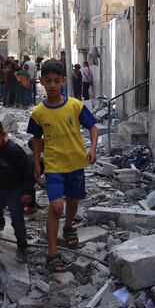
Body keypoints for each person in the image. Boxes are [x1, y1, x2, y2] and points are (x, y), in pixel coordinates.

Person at [28, 60, 99, 272]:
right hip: (54, 165)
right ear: (41, 81)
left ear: (64, 81)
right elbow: (36, 139)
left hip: (75, 163)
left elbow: (93, 127)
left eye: (56, 81)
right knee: (57, 207)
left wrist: (93, 149)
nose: (52, 85)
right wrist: (37, 163)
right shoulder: (38, 112)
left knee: (73, 202)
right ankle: (52, 253)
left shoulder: (75, 106)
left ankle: (68, 227)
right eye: (48, 81)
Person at [0, 117, 35, 263]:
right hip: (4, 185)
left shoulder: (13, 150)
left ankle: (22, 246)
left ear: (3, 135)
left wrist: (28, 192)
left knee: (16, 218)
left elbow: (28, 172)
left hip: (17, 188)